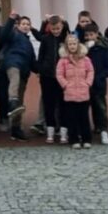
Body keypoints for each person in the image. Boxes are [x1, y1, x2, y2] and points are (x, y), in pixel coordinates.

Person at [0, 12, 36, 141]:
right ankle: (12, 100)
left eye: (28, 24)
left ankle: (16, 129)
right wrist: (11, 19)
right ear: (18, 26)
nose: (25, 26)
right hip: (13, 64)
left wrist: (42, 70)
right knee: (14, 79)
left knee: (19, 104)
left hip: (24, 72)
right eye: (23, 24)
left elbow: (33, 63)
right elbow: (3, 35)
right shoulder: (13, 35)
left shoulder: (29, 44)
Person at [56, 33, 94, 149]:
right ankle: (74, 139)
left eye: (74, 44)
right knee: (72, 118)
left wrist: (88, 83)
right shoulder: (63, 60)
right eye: (70, 44)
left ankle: (86, 138)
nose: (72, 46)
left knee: (84, 117)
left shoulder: (86, 59)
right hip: (70, 93)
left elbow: (90, 71)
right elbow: (59, 74)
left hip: (83, 91)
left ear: (78, 44)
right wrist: (66, 85)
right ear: (67, 46)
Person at [36, 15, 70, 144]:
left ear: (61, 27)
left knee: (63, 104)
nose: (56, 31)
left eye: (58, 28)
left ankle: (63, 132)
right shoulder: (45, 39)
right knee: (48, 103)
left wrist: (64, 21)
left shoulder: (65, 38)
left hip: (63, 77)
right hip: (47, 76)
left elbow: (69, 32)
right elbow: (41, 56)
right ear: (49, 28)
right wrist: (40, 69)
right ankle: (50, 131)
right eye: (53, 29)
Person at [83, 22, 108, 144]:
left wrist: (99, 77)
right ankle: (85, 132)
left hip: (99, 83)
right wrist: (86, 50)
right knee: (84, 108)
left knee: (100, 108)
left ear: (96, 34)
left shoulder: (103, 49)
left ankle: (103, 131)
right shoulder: (82, 50)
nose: (89, 37)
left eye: (92, 34)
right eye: (87, 35)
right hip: (85, 84)